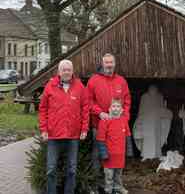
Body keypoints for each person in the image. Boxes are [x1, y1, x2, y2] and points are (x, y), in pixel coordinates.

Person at [39, 59, 89, 194]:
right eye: (64, 70)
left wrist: (84, 129)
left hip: (73, 135)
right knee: (51, 170)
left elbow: (85, 108)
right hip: (54, 135)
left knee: (72, 170)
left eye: (69, 69)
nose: (66, 72)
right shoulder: (50, 86)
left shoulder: (79, 86)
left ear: (72, 71)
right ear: (59, 72)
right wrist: (43, 129)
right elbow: (43, 108)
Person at [87, 53, 131, 194]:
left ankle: (116, 186)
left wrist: (125, 117)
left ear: (115, 64)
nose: (109, 65)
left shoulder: (121, 81)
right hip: (99, 125)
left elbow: (127, 101)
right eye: (106, 62)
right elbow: (88, 101)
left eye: (111, 62)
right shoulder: (94, 80)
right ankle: (94, 184)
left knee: (117, 156)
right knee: (97, 155)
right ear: (102, 64)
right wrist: (100, 113)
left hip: (117, 129)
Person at [96, 99, 128, 194]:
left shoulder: (124, 121)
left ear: (121, 110)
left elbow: (127, 136)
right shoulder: (104, 121)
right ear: (109, 109)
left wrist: (129, 151)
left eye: (118, 107)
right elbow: (100, 139)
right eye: (113, 106)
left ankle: (118, 187)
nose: (116, 109)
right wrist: (103, 153)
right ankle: (108, 189)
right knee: (109, 174)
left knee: (118, 173)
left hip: (120, 154)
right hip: (109, 155)